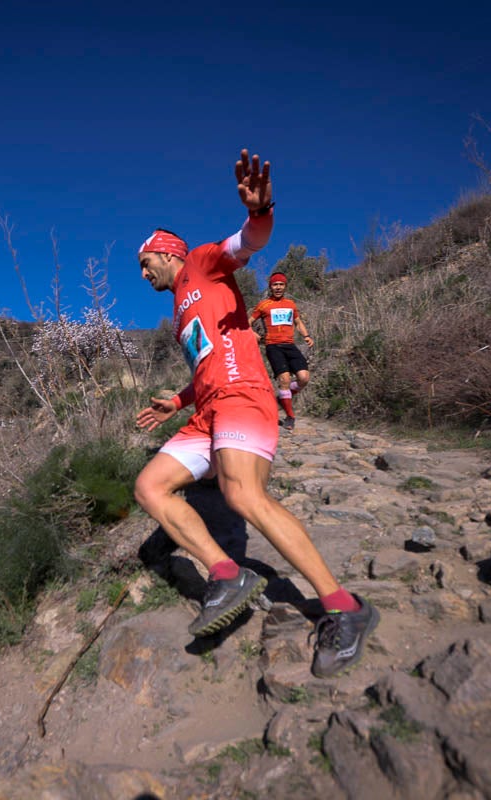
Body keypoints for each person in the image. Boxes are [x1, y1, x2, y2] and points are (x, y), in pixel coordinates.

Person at [133, 149, 378, 679]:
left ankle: (344, 608)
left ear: (166, 252)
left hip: (244, 396)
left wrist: (261, 210)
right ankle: (226, 574)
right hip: (208, 409)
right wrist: (177, 401)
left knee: (241, 493)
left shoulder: (200, 262)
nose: (142, 272)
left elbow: (247, 243)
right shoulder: (180, 309)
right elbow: (208, 365)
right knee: (150, 486)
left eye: (145, 262)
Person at [249, 273, 314, 432]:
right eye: (275, 285)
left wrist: (306, 336)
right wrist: (253, 334)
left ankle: (284, 397)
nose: (278, 287)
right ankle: (290, 416)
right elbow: (248, 321)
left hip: (290, 345)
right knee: (284, 379)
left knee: (304, 378)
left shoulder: (291, 304)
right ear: (270, 287)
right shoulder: (263, 305)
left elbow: (298, 322)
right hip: (273, 346)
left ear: (285, 287)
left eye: (281, 285)